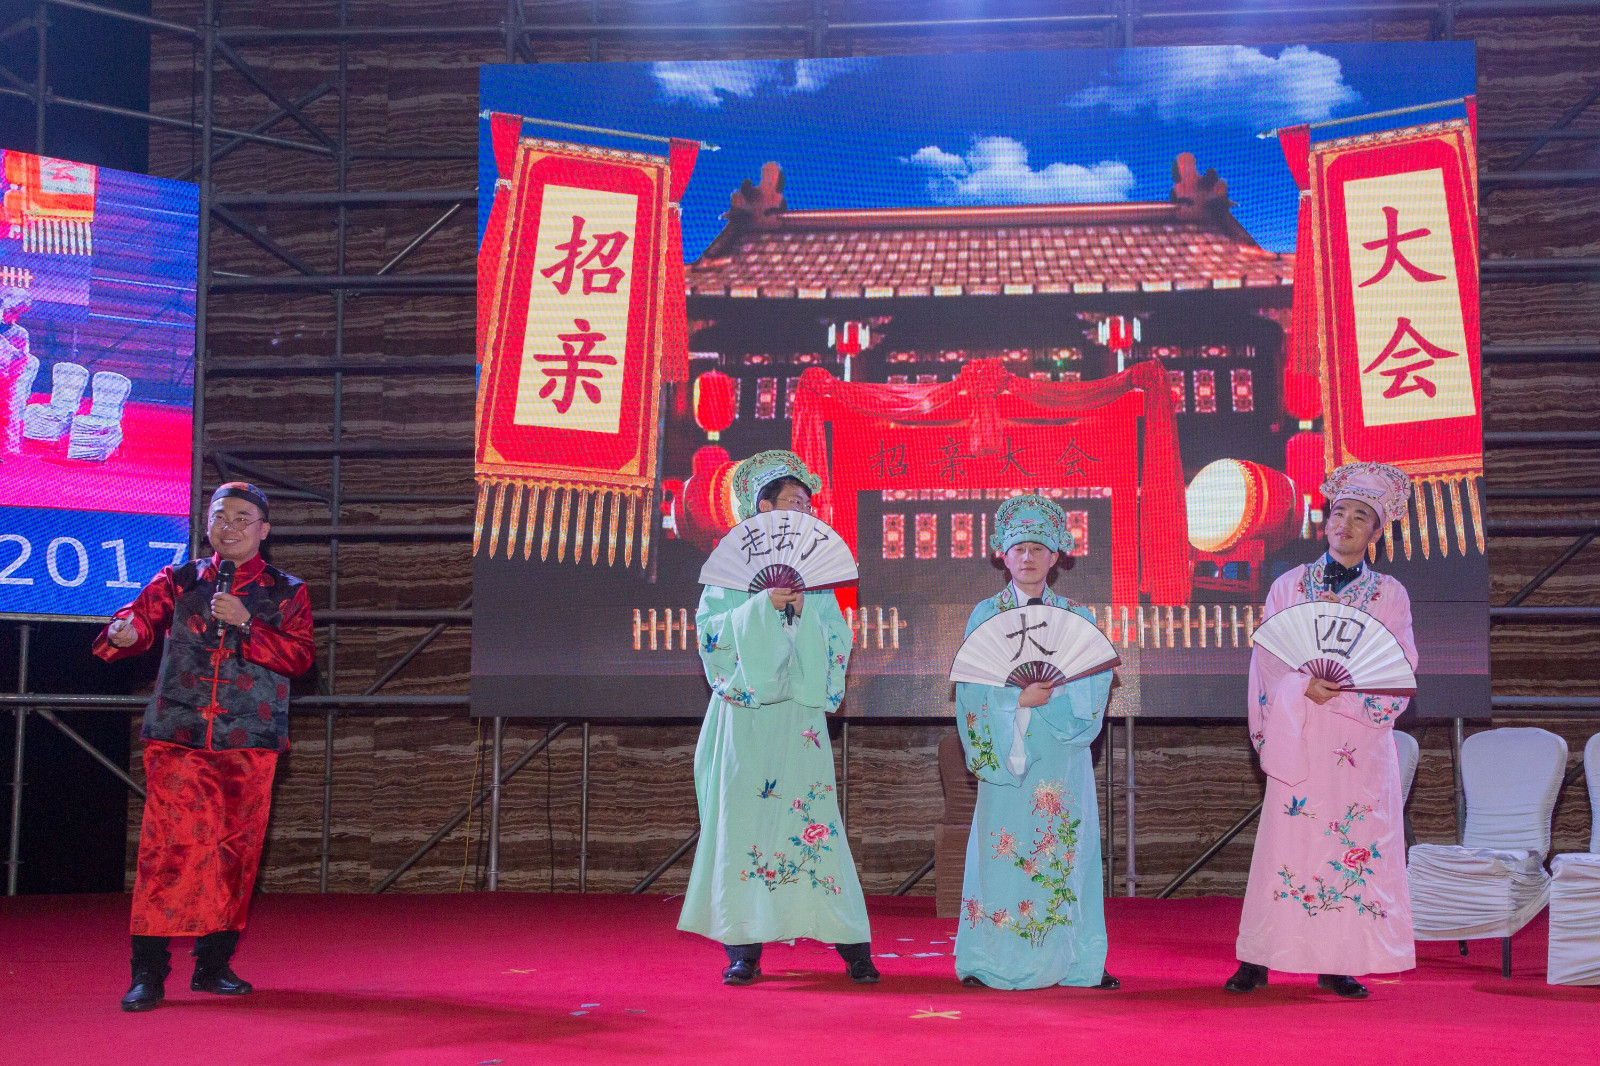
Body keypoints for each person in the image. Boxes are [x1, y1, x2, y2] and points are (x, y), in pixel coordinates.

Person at [94, 483, 314, 1012]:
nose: (229, 526)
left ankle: (213, 965)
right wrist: (125, 634)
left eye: (242, 518)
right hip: (179, 735)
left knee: (234, 852)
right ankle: (148, 972)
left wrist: (247, 622)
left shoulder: (288, 590)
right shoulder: (179, 578)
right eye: (220, 517)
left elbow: (300, 659)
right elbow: (139, 621)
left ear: (263, 530)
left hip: (249, 740)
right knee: (164, 851)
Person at [678, 450, 877, 986]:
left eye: (807, 504)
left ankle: (853, 946)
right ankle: (743, 949)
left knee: (815, 824)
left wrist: (804, 610)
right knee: (742, 827)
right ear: (763, 507)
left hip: (798, 720)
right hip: (744, 719)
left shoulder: (817, 580)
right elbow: (712, 641)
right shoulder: (728, 572)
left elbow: (837, 642)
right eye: (792, 501)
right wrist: (760, 607)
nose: (803, 511)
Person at [1226, 462, 1418, 1000]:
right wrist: (1302, 686)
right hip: (1301, 730)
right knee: (1285, 844)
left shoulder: (1389, 595)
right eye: (1339, 513)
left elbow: (1400, 664)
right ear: (1325, 521)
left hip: (1358, 743)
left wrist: (1348, 695)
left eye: (1360, 517)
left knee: (1351, 843)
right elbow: (1268, 659)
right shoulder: (1289, 585)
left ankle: (1339, 961)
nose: (1345, 524)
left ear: (1376, 532)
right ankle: (1259, 957)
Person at [954, 494, 1118, 991]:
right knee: (1002, 852)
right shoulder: (985, 614)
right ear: (1003, 555)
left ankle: (1077, 959)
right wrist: (1015, 699)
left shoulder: (1077, 615)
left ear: (1055, 557)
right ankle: (989, 958)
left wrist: (1053, 696)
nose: (1027, 557)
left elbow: (1093, 682)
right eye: (1019, 548)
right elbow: (972, 688)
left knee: (1066, 851)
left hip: (1060, 755)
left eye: (1038, 549)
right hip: (1008, 754)